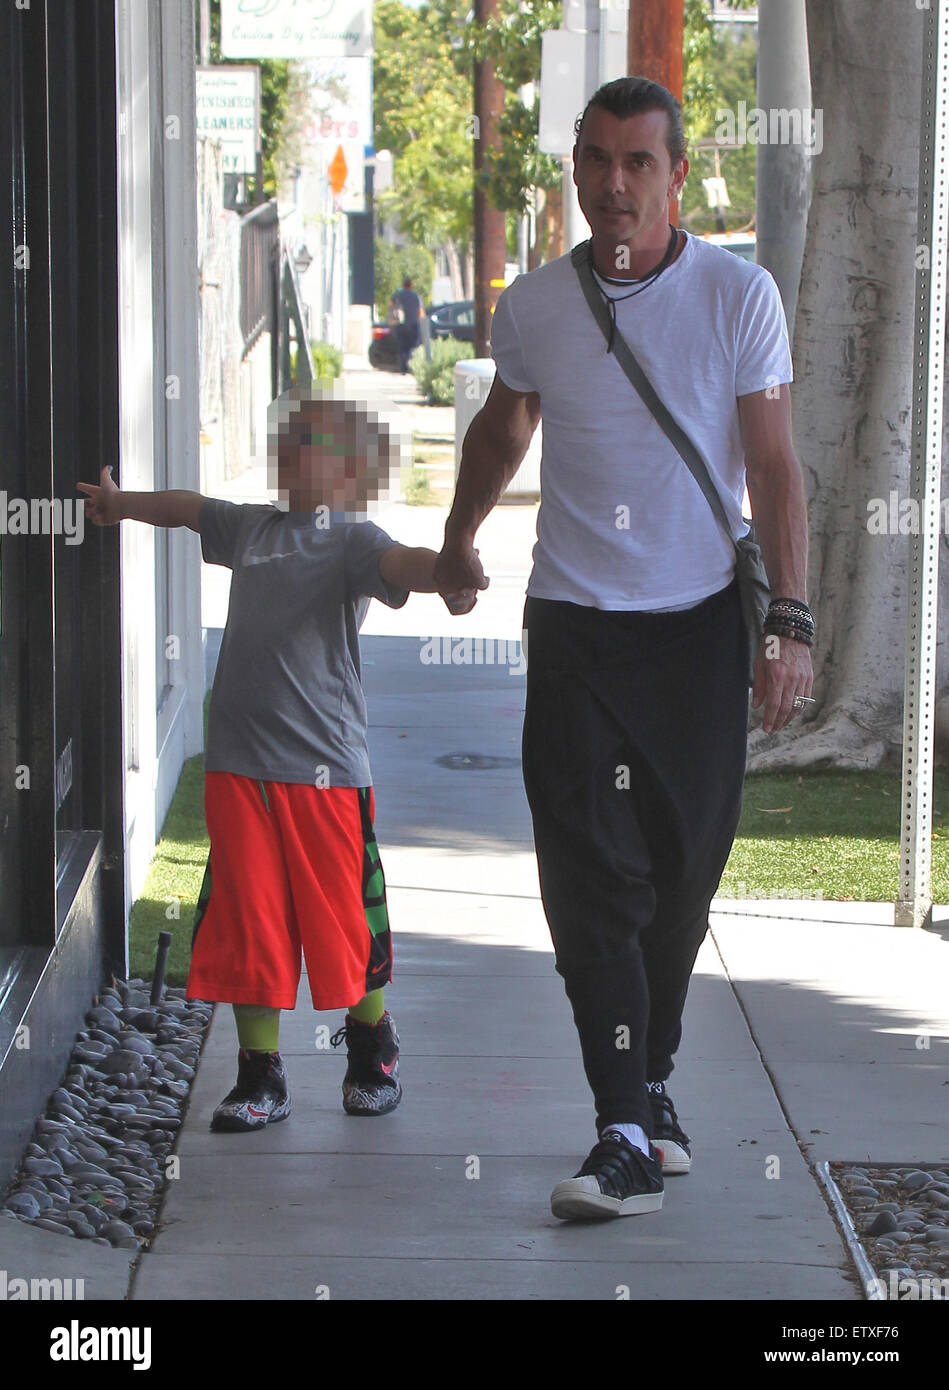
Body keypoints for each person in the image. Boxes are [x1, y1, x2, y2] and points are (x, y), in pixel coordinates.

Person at [433, 76, 814, 1221]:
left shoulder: (736, 298)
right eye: (593, 160)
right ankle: (621, 1128)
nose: (610, 185)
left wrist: (787, 619)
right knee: (594, 884)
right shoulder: (537, 306)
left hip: (698, 630)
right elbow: (504, 425)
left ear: (674, 176)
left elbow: (774, 466)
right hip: (576, 630)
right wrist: (455, 539)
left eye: (635, 163)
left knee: (680, 879)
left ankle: (647, 1082)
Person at [78, 388, 476, 1134]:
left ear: (355, 472)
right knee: (247, 918)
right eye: (289, 446)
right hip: (237, 762)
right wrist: (120, 502)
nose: (294, 459)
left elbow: (407, 563)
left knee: (342, 922)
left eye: (315, 449)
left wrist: (450, 572)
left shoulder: (353, 540)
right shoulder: (250, 527)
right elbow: (189, 506)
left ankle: (370, 1054)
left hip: (323, 769)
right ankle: (259, 1075)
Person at [389, 276, 424, 374]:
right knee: (412, 346)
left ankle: (403, 367)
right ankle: (410, 366)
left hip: (401, 324)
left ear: (403, 285)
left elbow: (391, 305)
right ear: (411, 285)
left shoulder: (398, 295)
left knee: (402, 346)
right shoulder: (416, 296)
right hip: (413, 324)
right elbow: (421, 312)